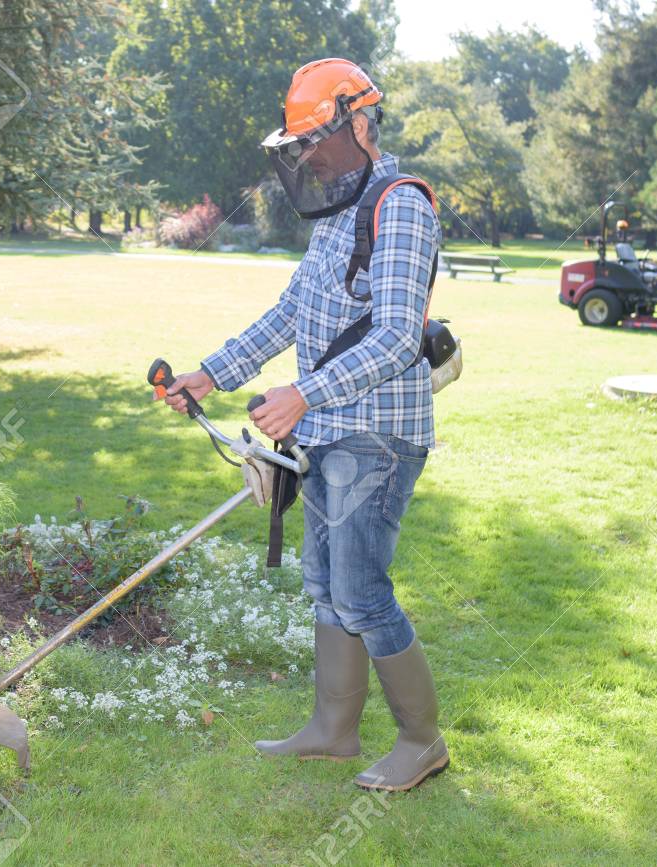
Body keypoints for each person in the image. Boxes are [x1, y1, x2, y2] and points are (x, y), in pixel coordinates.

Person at [161, 58, 447, 792]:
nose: (309, 156)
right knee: (325, 583)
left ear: (359, 121)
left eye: (317, 139)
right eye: (299, 145)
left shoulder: (401, 204)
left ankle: (422, 741)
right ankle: (333, 729)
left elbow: (395, 335)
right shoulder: (337, 210)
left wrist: (304, 393)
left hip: (378, 431)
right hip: (327, 427)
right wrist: (212, 371)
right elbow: (292, 312)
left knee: (360, 588)